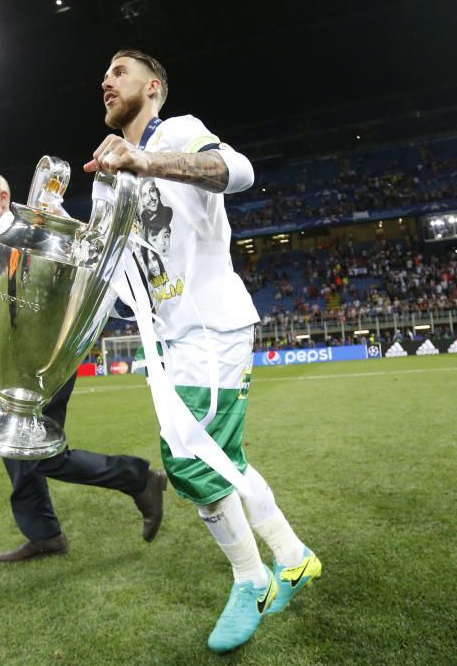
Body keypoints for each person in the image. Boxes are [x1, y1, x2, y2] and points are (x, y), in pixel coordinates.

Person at [84, 49, 322, 653]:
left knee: (188, 458)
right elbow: (115, 275)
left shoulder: (180, 131)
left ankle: (252, 580)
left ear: (153, 86)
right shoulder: (108, 175)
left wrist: (144, 160)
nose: (105, 82)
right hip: (167, 337)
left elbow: (235, 171)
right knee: (220, 458)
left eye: (119, 72)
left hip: (210, 325)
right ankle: (293, 558)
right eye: (105, 75)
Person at [0, 170, 168, 562]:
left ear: (3, 197)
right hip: (17, 360)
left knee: (40, 454)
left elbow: (73, 273)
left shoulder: (35, 227)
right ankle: (44, 534)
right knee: (15, 450)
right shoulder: (1, 241)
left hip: (45, 362)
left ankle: (138, 478)